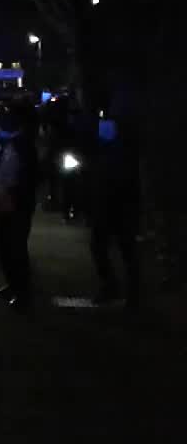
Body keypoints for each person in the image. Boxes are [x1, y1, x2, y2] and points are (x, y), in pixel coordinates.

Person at [89, 110, 141, 306]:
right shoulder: (110, 150)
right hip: (113, 205)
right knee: (118, 248)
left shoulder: (117, 152)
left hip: (117, 205)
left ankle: (124, 289)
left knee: (121, 248)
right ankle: (123, 289)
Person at [0, 106, 38, 311]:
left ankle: (23, 293)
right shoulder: (6, 144)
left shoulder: (23, 146)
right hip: (1, 204)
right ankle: (12, 285)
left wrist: (14, 196)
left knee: (16, 249)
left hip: (16, 205)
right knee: (2, 248)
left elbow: (29, 177)